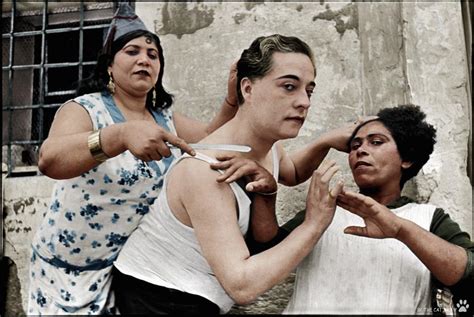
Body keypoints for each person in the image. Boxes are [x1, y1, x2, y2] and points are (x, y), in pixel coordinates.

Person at [111, 33, 355, 315]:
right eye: (289, 86)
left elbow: (293, 171)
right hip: (153, 302)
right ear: (248, 89)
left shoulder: (269, 147)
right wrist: (314, 223)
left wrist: (326, 141)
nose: (304, 102)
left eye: (308, 91)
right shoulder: (206, 171)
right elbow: (242, 287)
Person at [27, 3, 239, 315]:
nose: (144, 59)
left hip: (122, 273)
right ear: (109, 65)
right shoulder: (86, 109)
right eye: (132, 51)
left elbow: (211, 139)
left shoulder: (165, 119)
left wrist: (233, 98)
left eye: (152, 55)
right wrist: (120, 136)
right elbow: (50, 159)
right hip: (63, 272)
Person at [243, 104, 473, 314]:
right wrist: (266, 195)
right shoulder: (327, 210)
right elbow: (266, 250)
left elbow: (467, 275)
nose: (360, 150)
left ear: (407, 158)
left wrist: (399, 229)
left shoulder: (428, 219)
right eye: (355, 145)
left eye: (376, 142)